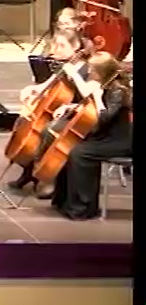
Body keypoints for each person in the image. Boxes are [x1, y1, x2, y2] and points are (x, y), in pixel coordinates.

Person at [6, 28, 91, 197]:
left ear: (76, 47)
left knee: (48, 130)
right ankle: (27, 172)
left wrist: (73, 78)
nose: (56, 49)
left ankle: (46, 174)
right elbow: (45, 86)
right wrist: (31, 90)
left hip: (77, 113)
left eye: (61, 45)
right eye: (55, 44)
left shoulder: (86, 68)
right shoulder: (66, 65)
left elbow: (88, 99)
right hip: (60, 111)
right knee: (24, 121)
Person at [50, 52, 133, 220]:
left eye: (92, 70)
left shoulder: (118, 90)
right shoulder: (106, 84)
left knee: (80, 153)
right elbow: (91, 108)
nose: (89, 73)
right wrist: (70, 107)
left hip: (120, 140)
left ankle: (83, 208)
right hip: (106, 136)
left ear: (102, 72)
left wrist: (97, 97)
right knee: (70, 147)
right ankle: (64, 201)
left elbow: (104, 118)